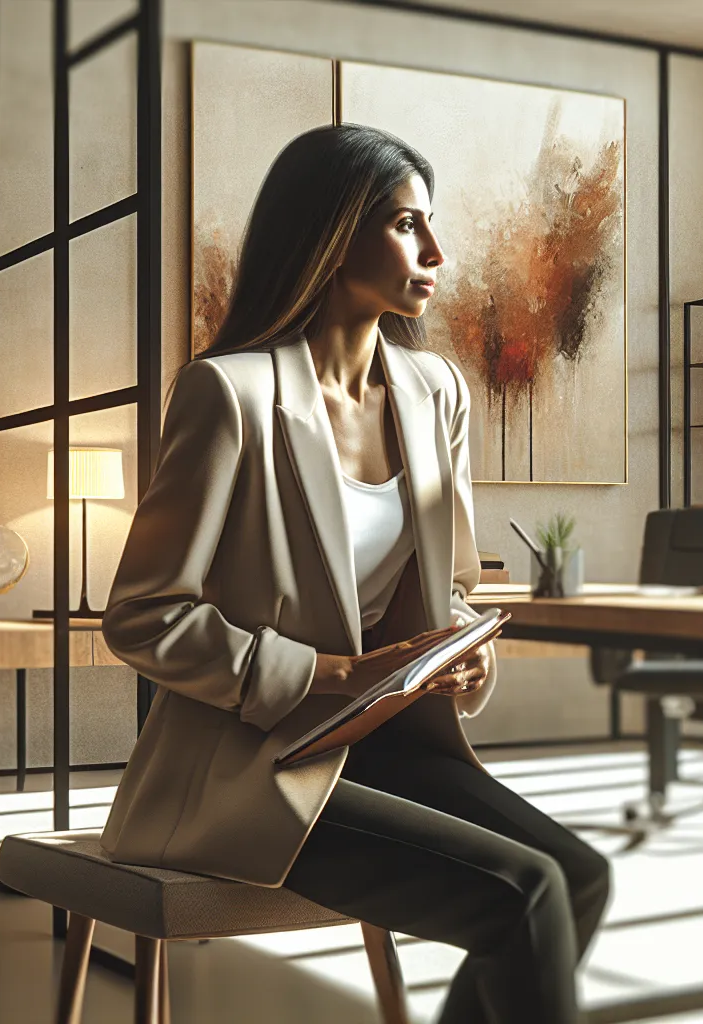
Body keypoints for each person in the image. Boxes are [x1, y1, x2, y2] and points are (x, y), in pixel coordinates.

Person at [99, 124, 607, 1024]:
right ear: (333, 234)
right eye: (408, 225)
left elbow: (451, 587)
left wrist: (464, 651)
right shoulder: (230, 394)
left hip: (390, 742)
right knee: (526, 895)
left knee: (581, 877)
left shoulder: (436, 392)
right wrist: (333, 673)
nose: (436, 251)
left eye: (431, 225)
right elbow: (144, 615)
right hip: (249, 766)